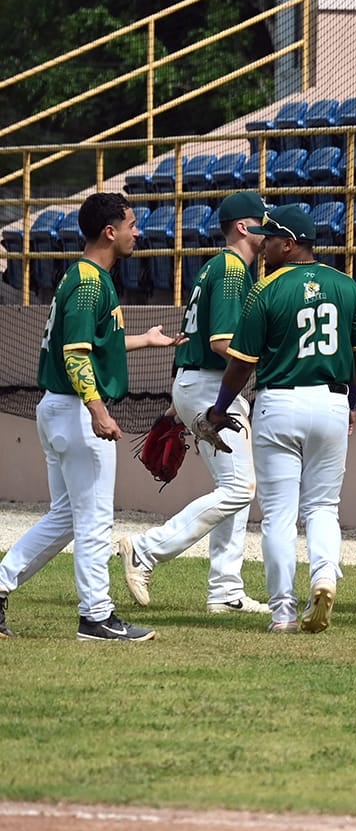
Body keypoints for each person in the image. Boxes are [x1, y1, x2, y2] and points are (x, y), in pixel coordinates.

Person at [0, 191, 182, 642]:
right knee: (96, 520)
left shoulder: (86, 277)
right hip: (77, 410)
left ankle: (2, 583)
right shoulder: (88, 281)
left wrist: (145, 340)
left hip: (62, 408)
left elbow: (95, 345)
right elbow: (76, 354)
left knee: (65, 517)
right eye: (131, 224)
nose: (137, 232)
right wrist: (97, 410)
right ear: (110, 231)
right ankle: (96, 616)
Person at [200, 203, 356, 633]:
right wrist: (351, 402)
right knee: (323, 508)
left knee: (279, 515)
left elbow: (241, 363)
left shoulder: (266, 289)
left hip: (279, 403)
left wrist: (220, 408)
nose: (263, 245)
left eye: (270, 239)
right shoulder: (347, 286)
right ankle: (324, 576)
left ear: (290, 243)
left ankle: (282, 612)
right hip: (332, 403)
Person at [115, 190, 269, 616]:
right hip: (210, 386)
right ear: (244, 226)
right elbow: (222, 342)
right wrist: (271, 357)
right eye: (262, 220)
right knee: (240, 488)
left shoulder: (218, 267)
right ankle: (146, 550)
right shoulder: (234, 270)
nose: (268, 228)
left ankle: (225, 590)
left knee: (235, 486)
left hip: (197, 383)